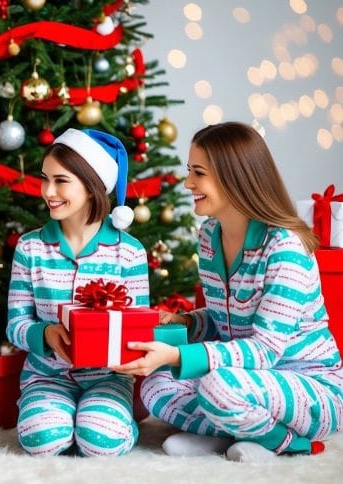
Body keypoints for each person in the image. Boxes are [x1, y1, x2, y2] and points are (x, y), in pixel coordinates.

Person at [113, 121, 343, 462]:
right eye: (189, 171)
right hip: (244, 380)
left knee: (216, 385)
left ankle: (287, 443)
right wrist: (188, 322)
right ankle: (230, 432)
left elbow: (264, 351)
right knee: (156, 385)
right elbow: (228, 320)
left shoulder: (285, 248)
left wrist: (177, 356)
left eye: (199, 173)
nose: (189, 183)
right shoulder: (209, 236)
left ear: (234, 176)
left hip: (310, 388)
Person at [6, 128, 148, 456]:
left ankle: (119, 422)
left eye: (61, 180)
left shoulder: (129, 252)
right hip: (46, 376)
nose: (48, 191)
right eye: (45, 179)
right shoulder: (31, 247)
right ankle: (61, 417)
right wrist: (46, 333)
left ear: (91, 185)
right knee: (42, 442)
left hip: (108, 378)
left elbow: (138, 330)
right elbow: (15, 325)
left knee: (100, 441)